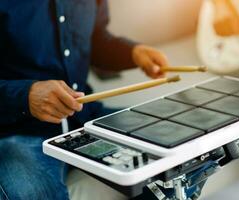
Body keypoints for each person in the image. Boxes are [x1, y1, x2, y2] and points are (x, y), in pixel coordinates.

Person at [0, 0, 169, 199]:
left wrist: (133, 53)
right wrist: (24, 96)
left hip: (86, 118)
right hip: (16, 131)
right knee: (30, 192)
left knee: (176, 150)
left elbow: (95, 41)